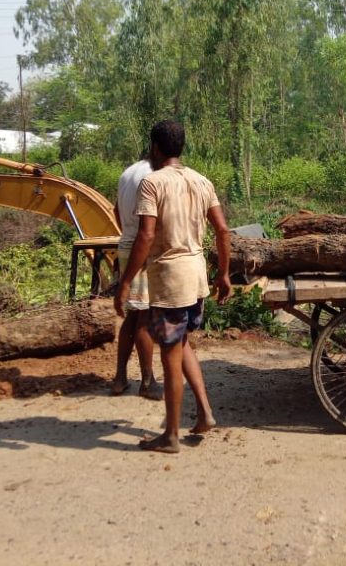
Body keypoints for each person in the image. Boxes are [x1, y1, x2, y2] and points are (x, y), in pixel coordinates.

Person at [115, 120, 232, 454]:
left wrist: (125, 282)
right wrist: (223, 274)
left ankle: (170, 436)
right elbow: (223, 231)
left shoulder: (152, 183)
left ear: (154, 147)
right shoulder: (201, 180)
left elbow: (147, 235)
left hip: (169, 278)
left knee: (170, 353)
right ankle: (206, 413)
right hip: (196, 276)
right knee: (182, 343)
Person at [110, 156, 158, 398]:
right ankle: (148, 381)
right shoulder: (153, 175)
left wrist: (127, 236)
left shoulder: (128, 172)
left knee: (133, 314)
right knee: (145, 317)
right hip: (142, 247)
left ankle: (120, 378)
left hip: (127, 244)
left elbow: (116, 210)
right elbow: (148, 227)